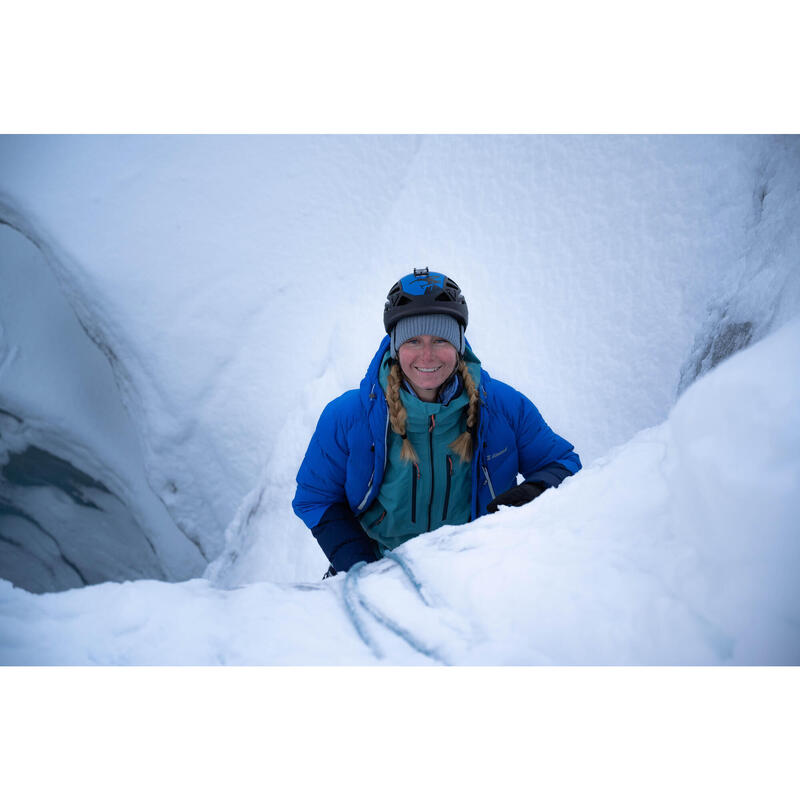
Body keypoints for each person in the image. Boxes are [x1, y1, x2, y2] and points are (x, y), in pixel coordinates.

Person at [292, 268, 581, 577]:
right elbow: (316, 497)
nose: (427, 356)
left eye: (441, 339)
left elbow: (562, 464)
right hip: (373, 571)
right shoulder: (348, 416)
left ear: (459, 344)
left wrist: (531, 494)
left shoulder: (504, 407)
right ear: (395, 346)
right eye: (413, 340)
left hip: (474, 574)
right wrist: (361, 567)